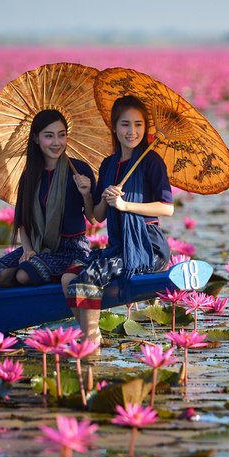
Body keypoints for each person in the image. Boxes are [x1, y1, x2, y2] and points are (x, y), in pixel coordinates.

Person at [66, 95, 174, 343]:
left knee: (89, 276)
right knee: (71, 274)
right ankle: (92, 335)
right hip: (119, 246)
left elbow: (167, 208)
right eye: (125, 124)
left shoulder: (151, 162)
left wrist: (125, 205)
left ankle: (90, 342)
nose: (132, 131)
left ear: (146, 128)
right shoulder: (107, 165)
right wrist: (98, 197)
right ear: (114, 127)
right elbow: (98, 217)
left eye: (138, 124)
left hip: (148, 247)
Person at [0, 109, 96, 295]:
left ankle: (51, 277)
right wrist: (28, 251)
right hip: (38, 246)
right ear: (36, 139)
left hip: (71, 250)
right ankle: (36, 278)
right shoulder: (29, 175)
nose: (56, 142)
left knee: (23, 275)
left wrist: (86, 194)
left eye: (61, 135)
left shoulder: (79, 170)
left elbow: (94, 219)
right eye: (49, 136)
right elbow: (23, 222)